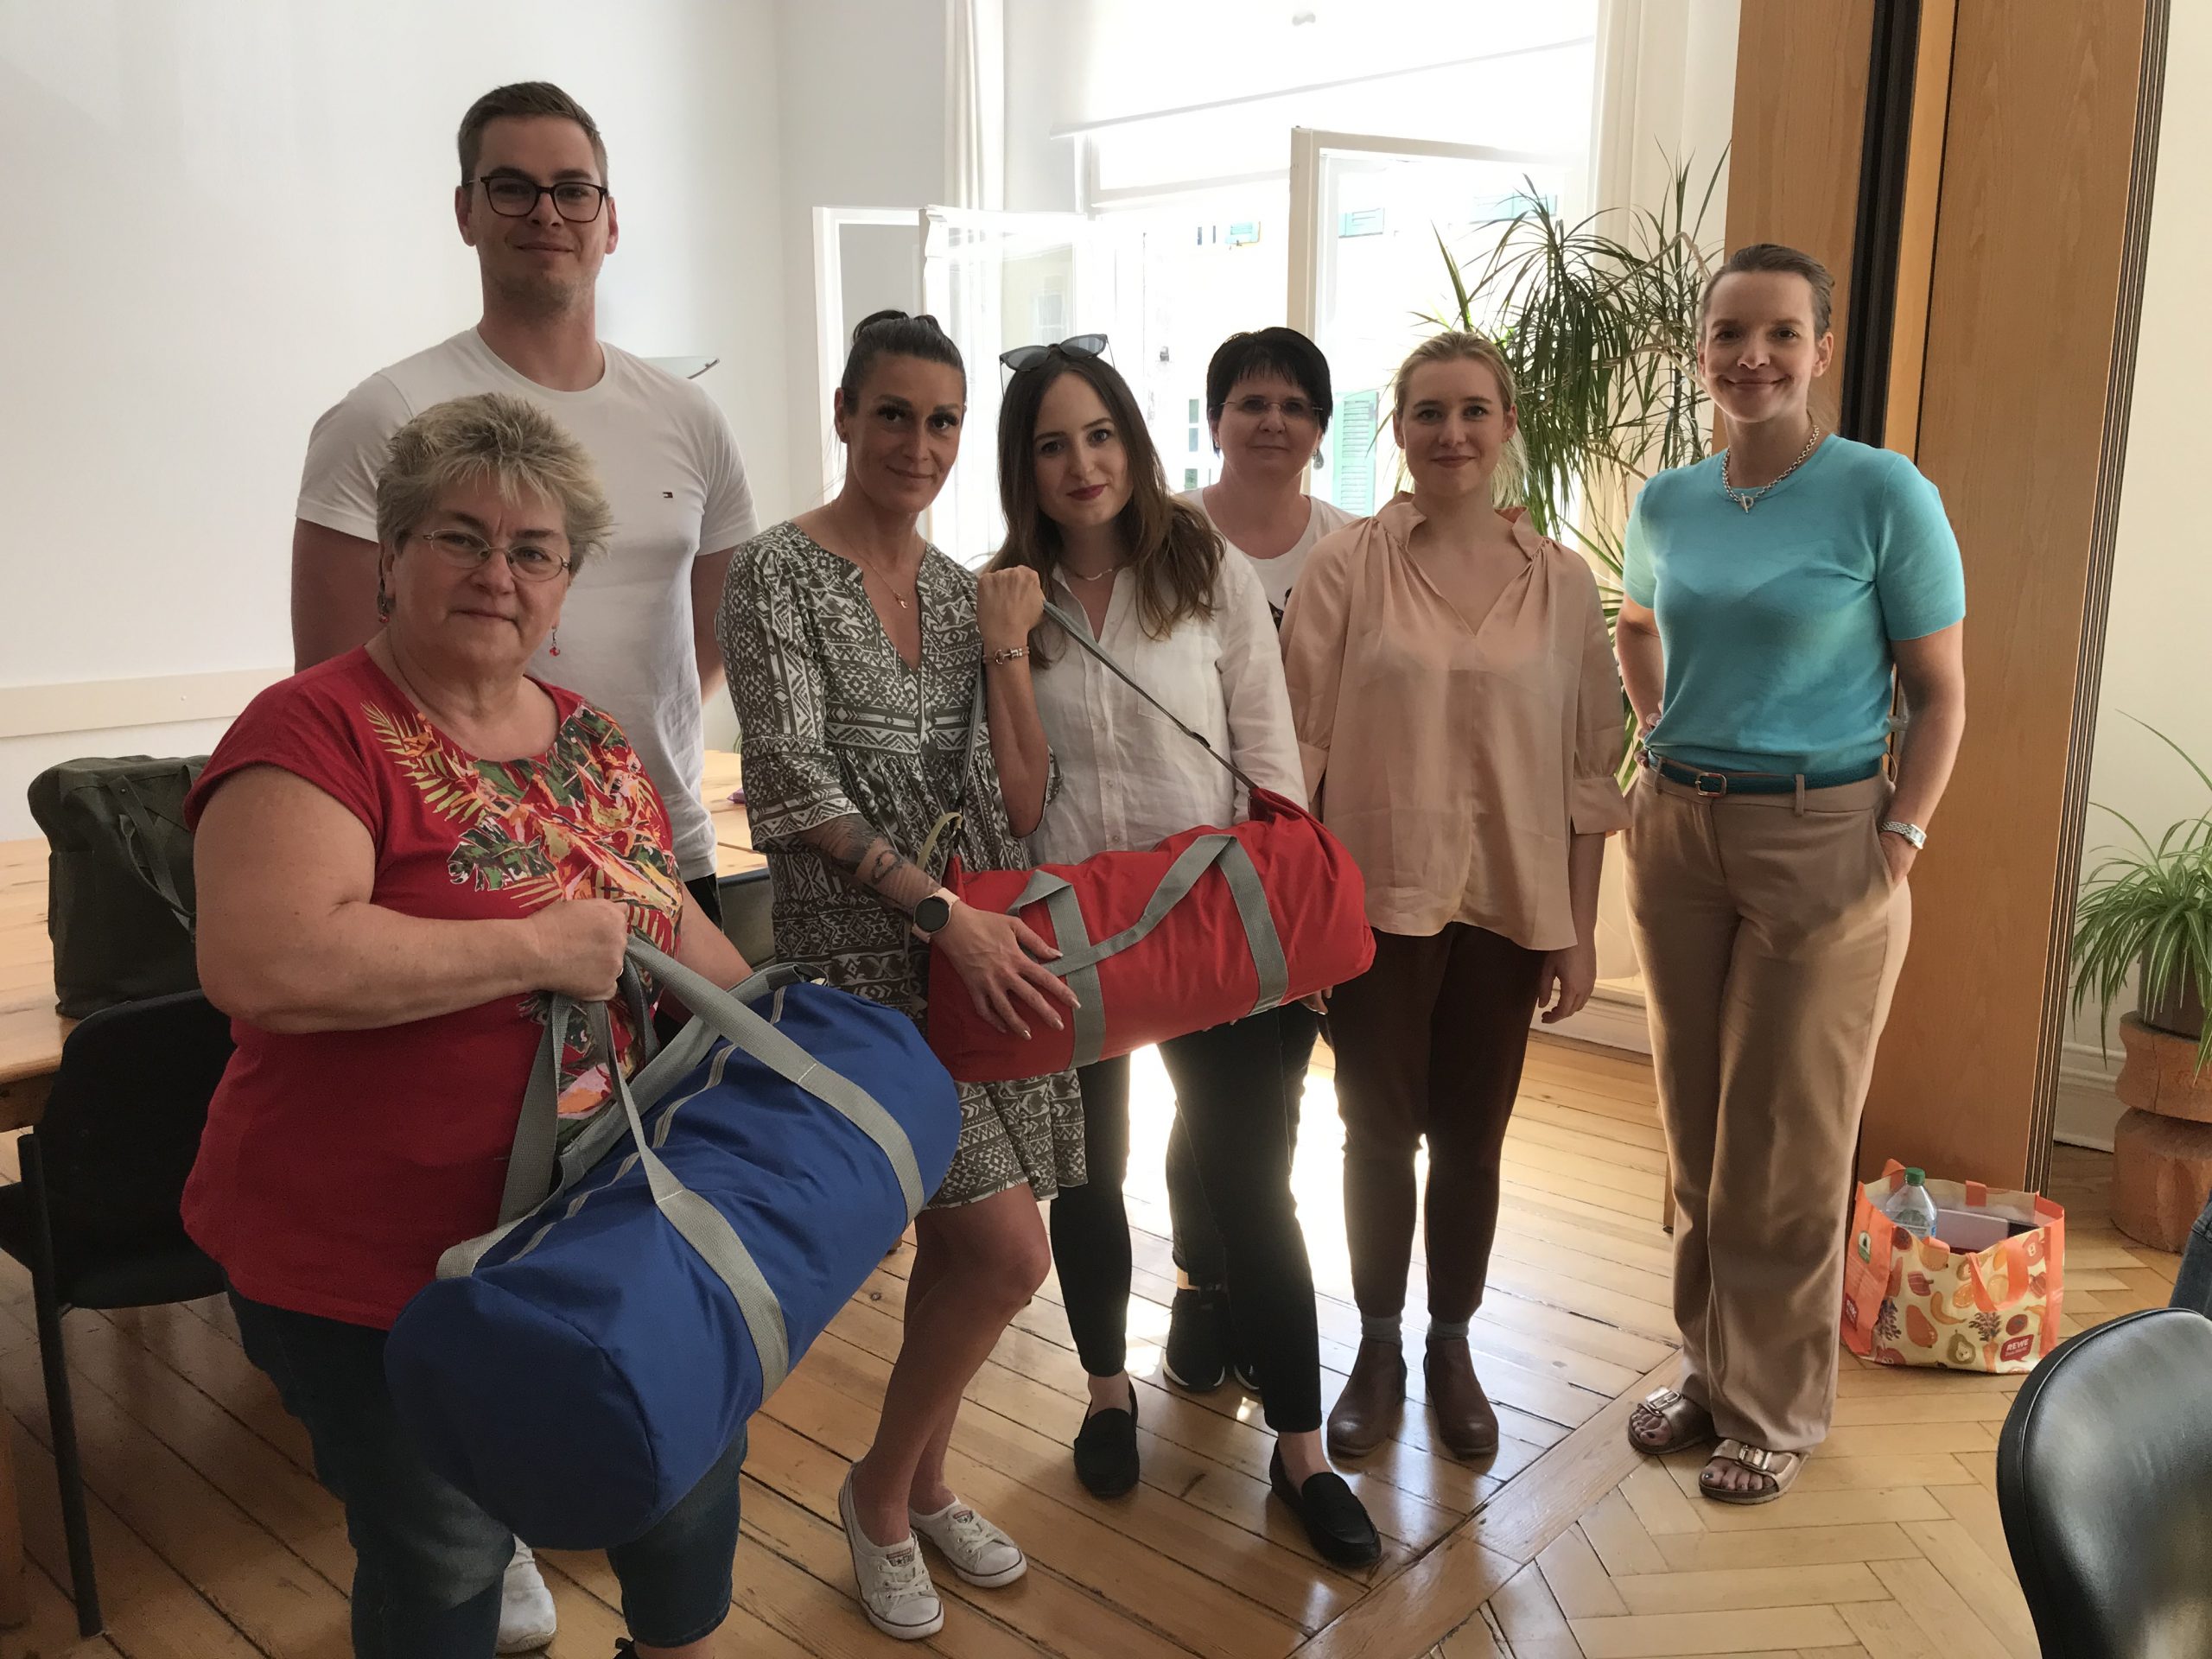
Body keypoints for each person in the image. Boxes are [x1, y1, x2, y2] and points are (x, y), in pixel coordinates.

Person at [187, 394, 756, 1659]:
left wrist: (800, 1042)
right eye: (461, 537)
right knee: (442, 1547)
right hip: (374, 1264)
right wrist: (536, 948)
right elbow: (266, 960)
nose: (499, 573)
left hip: (604, 1225)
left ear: (564, 586)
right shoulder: (314, 728)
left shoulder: (593, 741)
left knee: (683, 1473)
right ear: (390, 558)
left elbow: (667, 929)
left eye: (534, 550)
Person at [717, 312, 1083, 1643]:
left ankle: (923, 1482)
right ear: (844, 413)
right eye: (892, 415)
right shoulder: (775, 572)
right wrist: (939, 913)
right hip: (862, 974)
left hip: (978, 967)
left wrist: (1006, 646)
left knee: (963, 1248)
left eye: (942, 422)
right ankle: (876, 1493)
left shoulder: (967, 591)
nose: (918, 445)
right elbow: (791, 783)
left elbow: (1020, 802)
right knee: (1008, 1255)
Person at [990, 342, 1380, 1567]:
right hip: (1071, 933)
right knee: (1087, 1179)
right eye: (1052, 445)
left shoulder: (1201, 566)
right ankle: (1108, 1392)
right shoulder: (1003, 597)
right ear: (1023, 466)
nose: (1082, 464)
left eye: (1100, 434)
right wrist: (1003, 647)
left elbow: (1267, 748)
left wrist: (1292, 929)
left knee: (1253, 1187)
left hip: (1211, 919)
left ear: (1134, 439)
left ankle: (1302, 1452)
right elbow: (1010, 800)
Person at [1616, 244, 1967, 1503]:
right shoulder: (1670, 503)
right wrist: (1657, 731)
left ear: (1821, 349)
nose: (1751, 356)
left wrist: (1900, 839)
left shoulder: (1883, 494)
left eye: (1779, 333)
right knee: (1698, 1124)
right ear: (1700, 351)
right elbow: (1636, 624)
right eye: (1728, 334)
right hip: (1677, 832)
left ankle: (1772, 1408)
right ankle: (1709, 1370)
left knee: (1787, 1139)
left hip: (1824, 837)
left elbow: (1939, 694)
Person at [290, 79, 755, 973]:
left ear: (609, 222)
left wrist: (598, 768)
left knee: (705, 1069)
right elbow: (335, 685)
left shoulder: (689, 418)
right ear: (465, 212)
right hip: (466, 875)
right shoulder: (385, 414)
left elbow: (714, 628)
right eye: (512, 188)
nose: (546, 212)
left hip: (664, 849)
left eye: (573, 190)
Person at [1281, 332, 1628, 1465]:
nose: (1452, 433)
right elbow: (1296, 756)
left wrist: (1576, 929)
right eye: (1428, 412)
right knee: (1376, 1133)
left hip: (1511, 905)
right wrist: (1300, 923)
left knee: (1475, 1141)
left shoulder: (1563, 585)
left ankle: (1451, 1343)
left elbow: (1589, 769)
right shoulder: (1348, 569)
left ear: (1507, 424)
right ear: (1397, 430)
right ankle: (1378, 1346)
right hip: (1375, 901)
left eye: (1474, 410)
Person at [1160, 326, 1355, 1393]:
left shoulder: (1352, 547)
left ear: (1320, 428)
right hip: (1187, 862)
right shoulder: (1166, 536)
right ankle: (1203, 1281)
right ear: (1215, 420)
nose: (1272, 421)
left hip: (1301, 863)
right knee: (1206, 1092)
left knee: (1276, 1085)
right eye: (1250, 402)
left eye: (1293, 405)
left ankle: (1243, 1279)